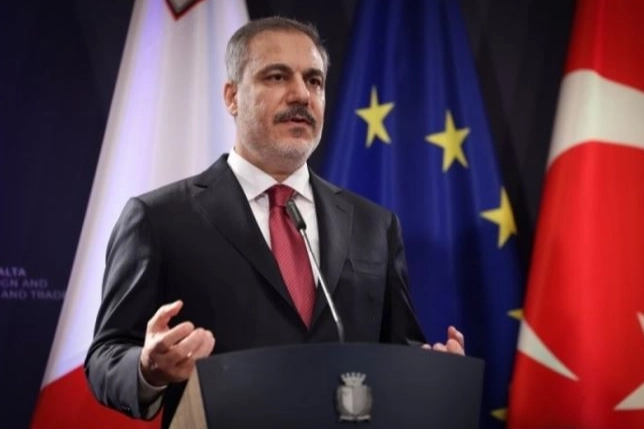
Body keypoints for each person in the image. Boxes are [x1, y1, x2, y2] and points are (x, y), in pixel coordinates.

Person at [84, 16, 465, 428]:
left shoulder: (375, 225)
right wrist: (147, 368)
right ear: (232, 96)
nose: (301, 94)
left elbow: (397, 351)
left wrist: (428, 372)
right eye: (277, 76)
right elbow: (106, 356)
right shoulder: (160, 218)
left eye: (314, 81)